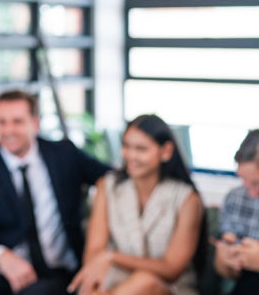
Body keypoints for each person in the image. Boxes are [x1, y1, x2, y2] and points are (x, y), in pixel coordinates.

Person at [0, 90, 110, 295]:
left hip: (57, 272)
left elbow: (111, 178)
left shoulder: (64, 155)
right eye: (2, 122)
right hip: (6, 273)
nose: (9, 131)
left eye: (17, 121)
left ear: (35, 123)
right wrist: (0, 257)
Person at [68, 114, 205, 295]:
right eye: (126, 146)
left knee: (144, 282)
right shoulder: (108, 187)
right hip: (115, 283)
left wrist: (112, 257)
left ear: (166, 151)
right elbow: (94, 253)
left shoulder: (186, 198)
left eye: (141, 149)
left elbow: (171, 270)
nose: (130, 155)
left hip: (170, 289)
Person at [215, 129, 259, 295]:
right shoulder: (235, 198)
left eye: (256, 183)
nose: (251, 193)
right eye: (243, 180)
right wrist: (225, 259)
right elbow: (226, 273)